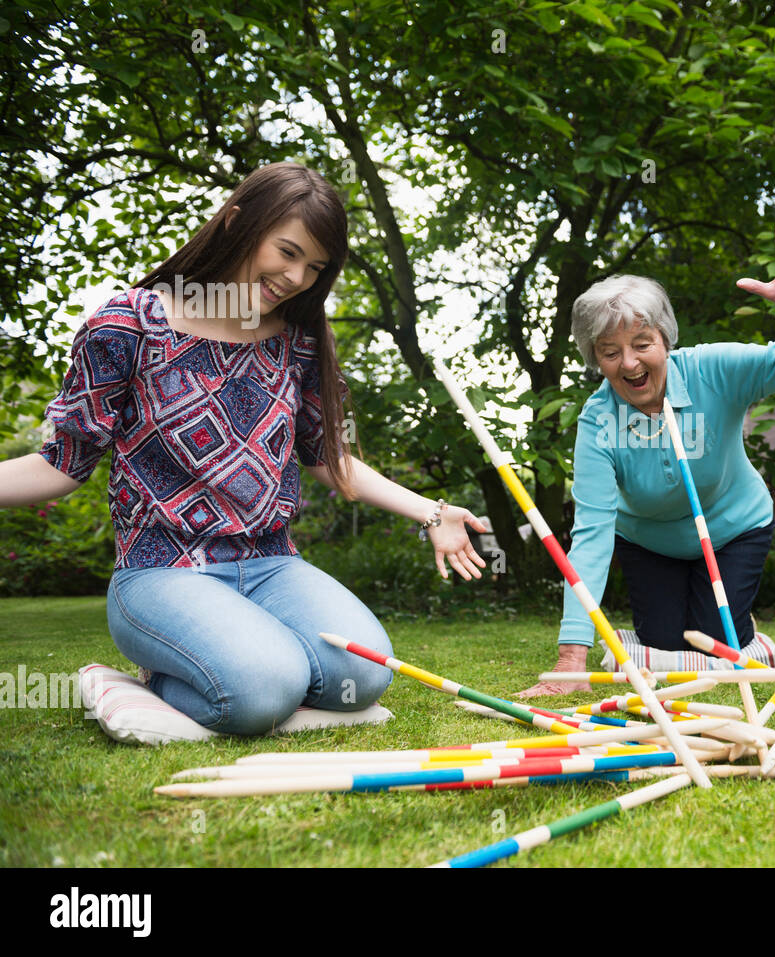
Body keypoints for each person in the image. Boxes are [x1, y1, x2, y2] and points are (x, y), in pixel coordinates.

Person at [0, 162, 487, 735]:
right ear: (236, 223)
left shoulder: (300, 342)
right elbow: (61, 464)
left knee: (361, 674)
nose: (297, 277)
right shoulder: (127, 325)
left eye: (315, 267)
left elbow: (329, 458)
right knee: (262, 691)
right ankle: (142, 680)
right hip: (160, 571)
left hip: (271, 563)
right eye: (287, 252)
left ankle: (242, 664)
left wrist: (431, 512)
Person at [517, 210, 775, 697]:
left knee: (714, 644)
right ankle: (675, 623)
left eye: (642, 343)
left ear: (665, 339)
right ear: (595, 359)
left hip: (734, 527)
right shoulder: (597, 421)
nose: (629, 362)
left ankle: (740, 626)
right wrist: (571, 658)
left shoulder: (714, 369)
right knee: (666, 643)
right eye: (609, 352)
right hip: (648, 541)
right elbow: (591, 536)